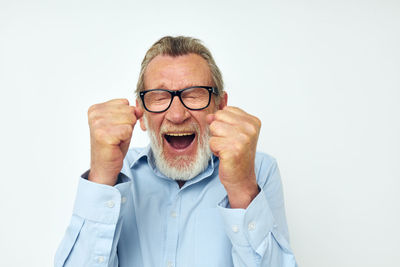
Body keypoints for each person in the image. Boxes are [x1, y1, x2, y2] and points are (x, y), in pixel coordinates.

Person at [55, 36, 297, 267]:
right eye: (159, 97)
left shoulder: (258, 171)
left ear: (221, 107)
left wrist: (243, 189)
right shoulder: (117, 173)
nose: (177, 115)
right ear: (141, 113)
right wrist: (101, 179)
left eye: (194, 95)